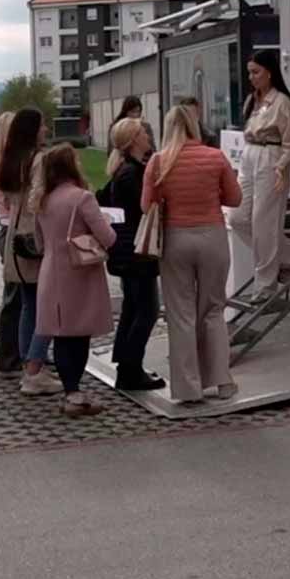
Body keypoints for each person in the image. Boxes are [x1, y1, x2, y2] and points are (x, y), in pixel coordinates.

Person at [142, 104, 241, 403]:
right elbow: (235, 198)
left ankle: (188, 388)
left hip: (175, 239)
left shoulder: (159, 161)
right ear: (194, 126)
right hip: (212, 237)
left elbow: (146, 205)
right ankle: (223, 382)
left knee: (180, 313)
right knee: (213, 309)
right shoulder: (215, 157)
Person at [33, 144, 117, 417]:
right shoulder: (82, 198)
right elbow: (108, 238)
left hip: (51, 272)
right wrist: (106, 220)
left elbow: (38, 242)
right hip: (80, 273)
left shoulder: (42, 200)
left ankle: (70, 390)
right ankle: (75, 394)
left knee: (61, 333)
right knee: (79, 334)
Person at [0, 108, 60, 395]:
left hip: (15, 235)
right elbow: (40, 197)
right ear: (32, 130)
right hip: (35, 237)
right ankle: (34, 368)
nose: (46, 130)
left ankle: (29, 366)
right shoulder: (38, 161)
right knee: (46, 307)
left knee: (29, 305)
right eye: (42, 125)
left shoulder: (9, 161)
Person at [97, 117, 163, 390]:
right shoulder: (132, 173)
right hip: (136, 252)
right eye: (144, 133)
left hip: (125, 251)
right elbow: (145, 207)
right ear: (134, 139)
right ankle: (131, 368)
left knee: (133, 308)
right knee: (147, 310)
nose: (148, 136)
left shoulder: (123, 170)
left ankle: (126, 365)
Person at [232, 50, 290, 297]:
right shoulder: (252, 100)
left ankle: (265, 284)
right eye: (249, 72)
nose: (251, 77)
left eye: (256, 72)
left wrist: (282, 167)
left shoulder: (282, 102)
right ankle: (289, 254)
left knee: (264, 222)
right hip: (249, 154)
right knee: (238, 217)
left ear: (269, 72)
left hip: (270, 157)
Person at [0, 110, 22, 372]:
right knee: (14, 297)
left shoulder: (4, 165)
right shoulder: (3, 168)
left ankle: (21, 351)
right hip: (12, 230)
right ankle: (8, 355)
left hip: (12, 229)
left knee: (21, 298)